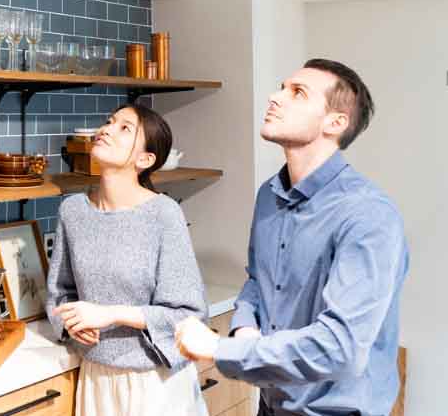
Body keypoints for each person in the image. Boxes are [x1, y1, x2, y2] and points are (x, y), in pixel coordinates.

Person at [175, 59, 409, 416]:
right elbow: (258, 281)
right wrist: (245, 329)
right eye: (282, 87)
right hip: (272, 406)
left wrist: (219, 348)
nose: (275, 97)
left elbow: (339, 349)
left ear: (335, 122)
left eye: (297, 93)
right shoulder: (268, 195)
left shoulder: (368, 214)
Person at [47, 103, 209, 416]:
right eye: (108, 122)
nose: (106, 129)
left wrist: (110, 315)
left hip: (157, 383)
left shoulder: (164, 214)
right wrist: (71, 325)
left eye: (124, 128)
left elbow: (190, 315)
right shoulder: (73, 211)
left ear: (145, 160)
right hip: (97, 378)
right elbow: (60, 293)